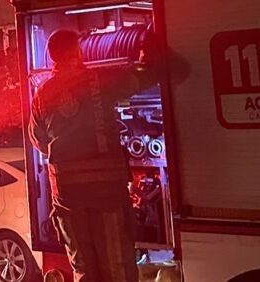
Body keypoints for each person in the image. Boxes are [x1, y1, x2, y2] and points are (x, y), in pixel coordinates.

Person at [29, 29, 161, 282]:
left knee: (84, 269)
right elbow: (142, 78)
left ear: (53, 58)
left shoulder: (41, 95)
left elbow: (39, 141)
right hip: (106, 193)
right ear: (77, 52)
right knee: (117, 267)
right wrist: (149, 52)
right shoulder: (100, 81)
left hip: (68, 197)